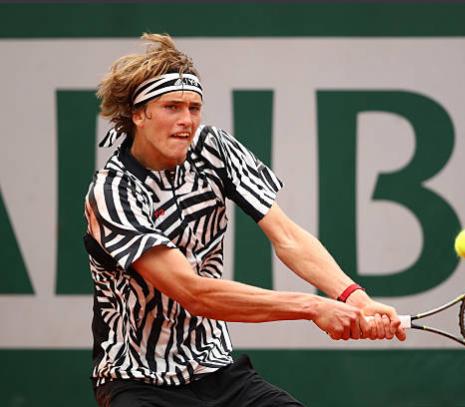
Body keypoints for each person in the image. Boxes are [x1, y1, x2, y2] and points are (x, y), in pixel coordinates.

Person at [83, 33, 406, 407]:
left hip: (218, 372)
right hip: (137, 382)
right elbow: (193, 292)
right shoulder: (112, 193)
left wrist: (355, 298)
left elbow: (286, 236)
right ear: (139, 114)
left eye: (194, 107)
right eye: (172, 107)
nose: (186, 120)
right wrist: (313, 306)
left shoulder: (213, 148)